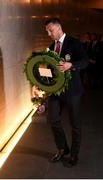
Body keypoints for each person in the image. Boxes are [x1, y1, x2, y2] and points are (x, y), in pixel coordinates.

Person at [44, 18, 88, 167]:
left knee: (75, 124)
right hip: (56, 91)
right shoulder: (51, 47)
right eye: (47, 31)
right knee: (53, 119)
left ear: (58, 28)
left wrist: (71, 65)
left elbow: (85, 61)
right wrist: (42, 80)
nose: (49, 34)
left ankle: (74, 154)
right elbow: (50, 69)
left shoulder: (74, 43)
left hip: (73, 91)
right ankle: (63, 149)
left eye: (50, 30)